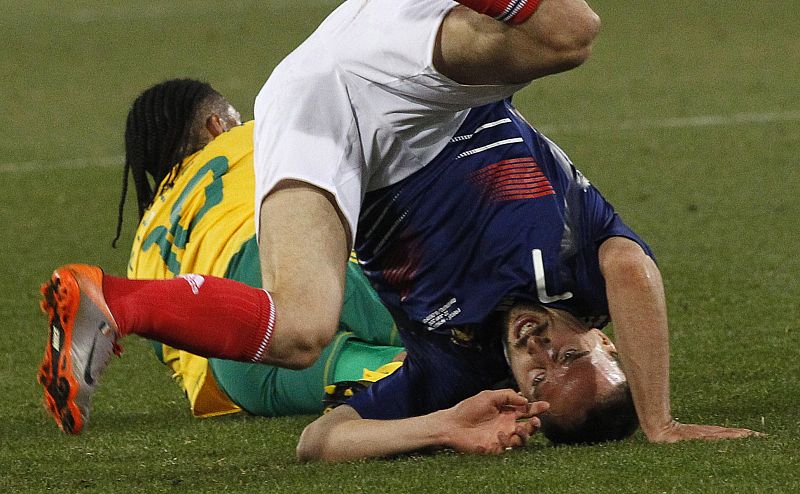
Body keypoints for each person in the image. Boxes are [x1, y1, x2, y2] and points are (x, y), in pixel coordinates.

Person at [38, 0, 758, 453]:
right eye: (570, 357)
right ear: (604, 338)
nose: (541, 351)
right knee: (573, 33)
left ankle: (112, 302)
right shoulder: (580, 267)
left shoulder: (458, 371)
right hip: (414, 81)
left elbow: (320, 441)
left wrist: (443, 425)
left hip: (312, 103)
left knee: (301, 329)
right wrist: (660, 422)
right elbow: (633, 271)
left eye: (538, 378)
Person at [39, 79, 404, 430]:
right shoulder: (251, 137)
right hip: (278, 261)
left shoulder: (144, 243)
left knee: (414, 378)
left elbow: (173, 346)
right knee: (446, 332)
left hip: (235, 367)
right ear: (217, 125)